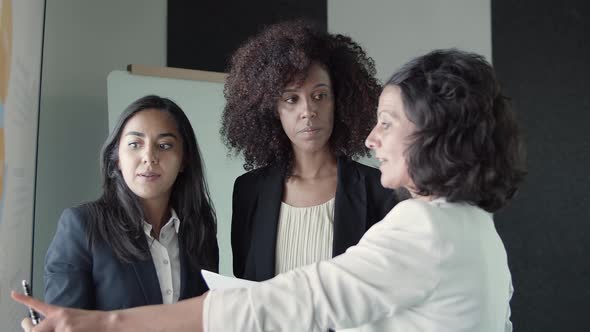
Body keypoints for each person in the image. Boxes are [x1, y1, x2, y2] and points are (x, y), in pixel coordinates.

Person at [14, 48, 526, 332]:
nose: (373, 138)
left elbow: (299, 300)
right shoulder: (474, 223)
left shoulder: (424, 223)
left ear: (434, 132)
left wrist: (105, 325)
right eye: (291, 98)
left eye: (388, 123)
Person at [222, 20, 399, 281]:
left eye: (319, 95)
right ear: (272, 109)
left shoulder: (378, 191)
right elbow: (247, 285)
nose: (308, 111)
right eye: (291, 99)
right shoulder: (249, 191)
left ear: (339, 101)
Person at [42, 95, 218, 310]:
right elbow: (64, 323)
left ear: (184, 160)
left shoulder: (200, 229)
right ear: (116, 158)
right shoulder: (82, 226)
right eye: (135, 144)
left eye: (164, 145)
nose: (149, 157)